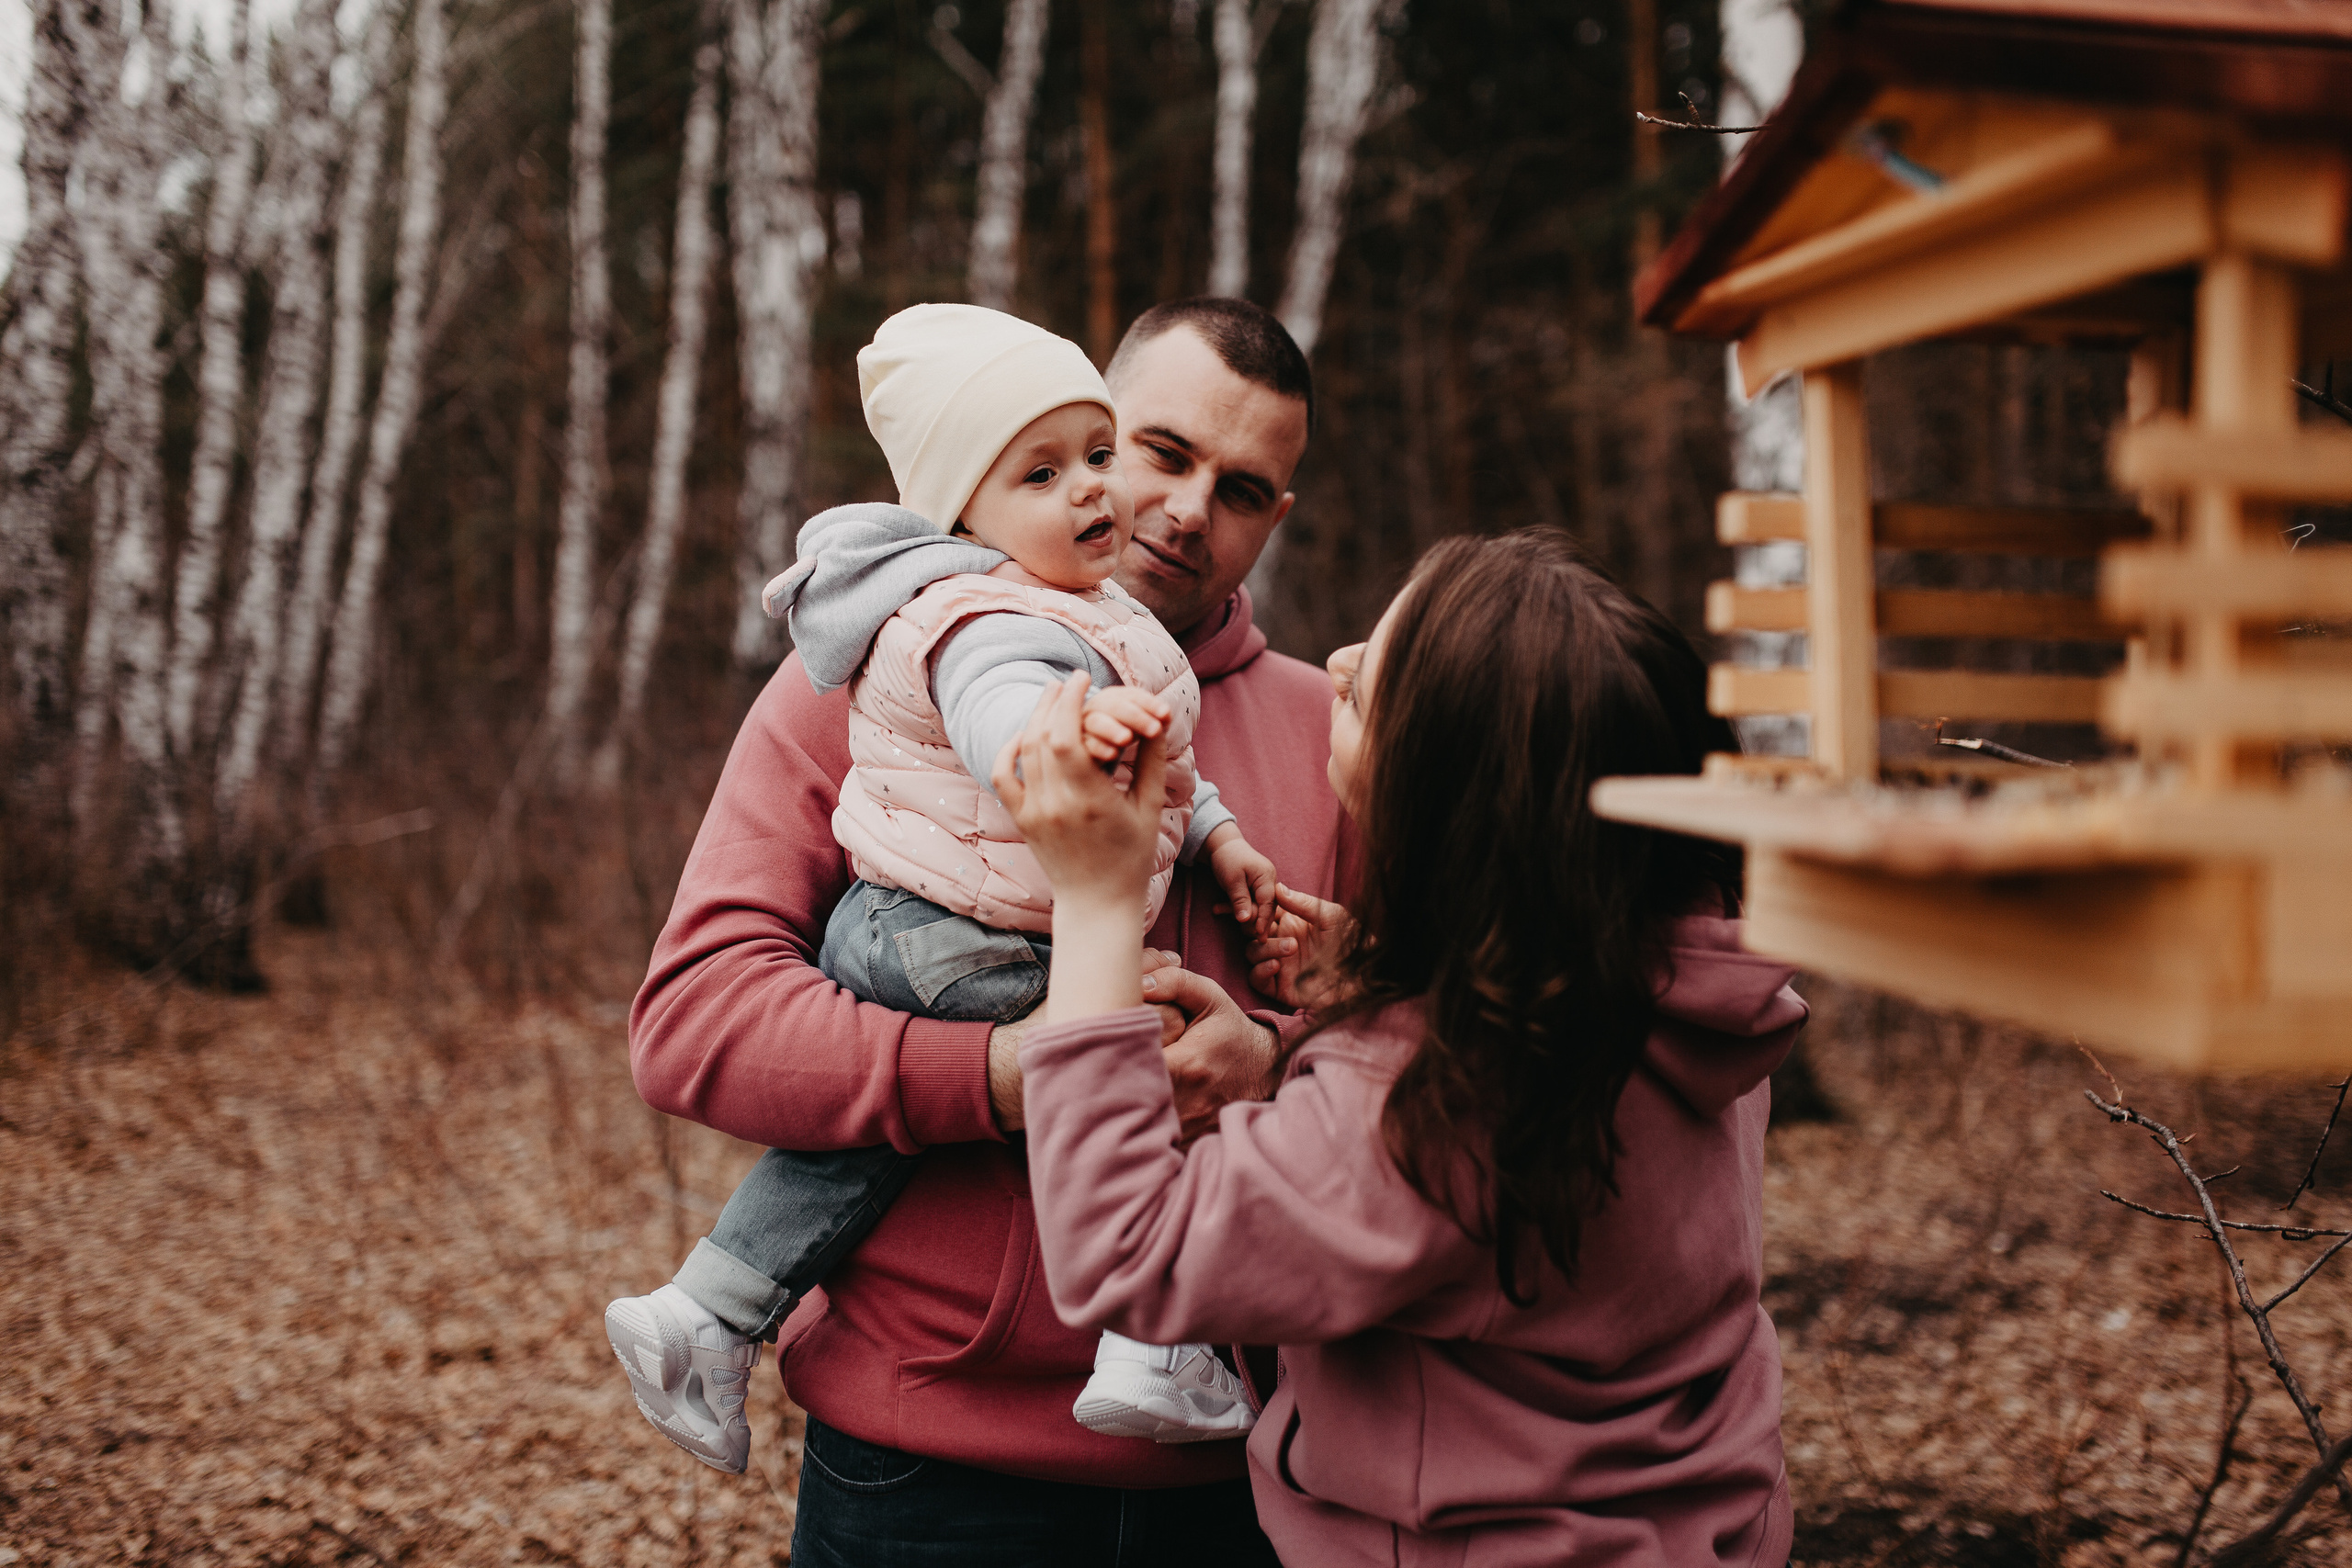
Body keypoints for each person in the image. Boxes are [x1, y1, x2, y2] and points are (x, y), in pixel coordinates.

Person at [628, 297, 1342, 1564]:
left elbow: (1432, 1065)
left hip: (1251, 1482)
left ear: (1276, 514)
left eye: (1240, 488)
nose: (1182, 508)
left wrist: (1276, 1061)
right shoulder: (871, 676)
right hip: (922, 1469)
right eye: (1159, 452)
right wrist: (1010, 1073)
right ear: (1088, 431)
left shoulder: (1333, 728)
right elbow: (696, 1027)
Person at [998, 527, 1808, 1566]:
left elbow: (1127, 1253)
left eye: (1366, 690)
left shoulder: (1433, 1095)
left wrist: (1098, 901)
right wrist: (1384, 991)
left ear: (1441, 804)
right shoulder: (1692, 993)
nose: (1331, 664)